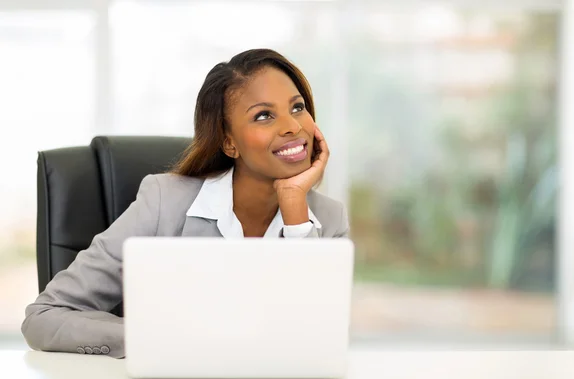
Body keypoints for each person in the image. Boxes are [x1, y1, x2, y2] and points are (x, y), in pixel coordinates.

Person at [21, 49, 349, 359]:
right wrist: (159, 338)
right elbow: (44, 317)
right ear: (229, 142)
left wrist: (294, 205)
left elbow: (319, 340)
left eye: (297, 107)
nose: (293, 126)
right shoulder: (164, 202)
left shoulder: (328, 220)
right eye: (264, 115)